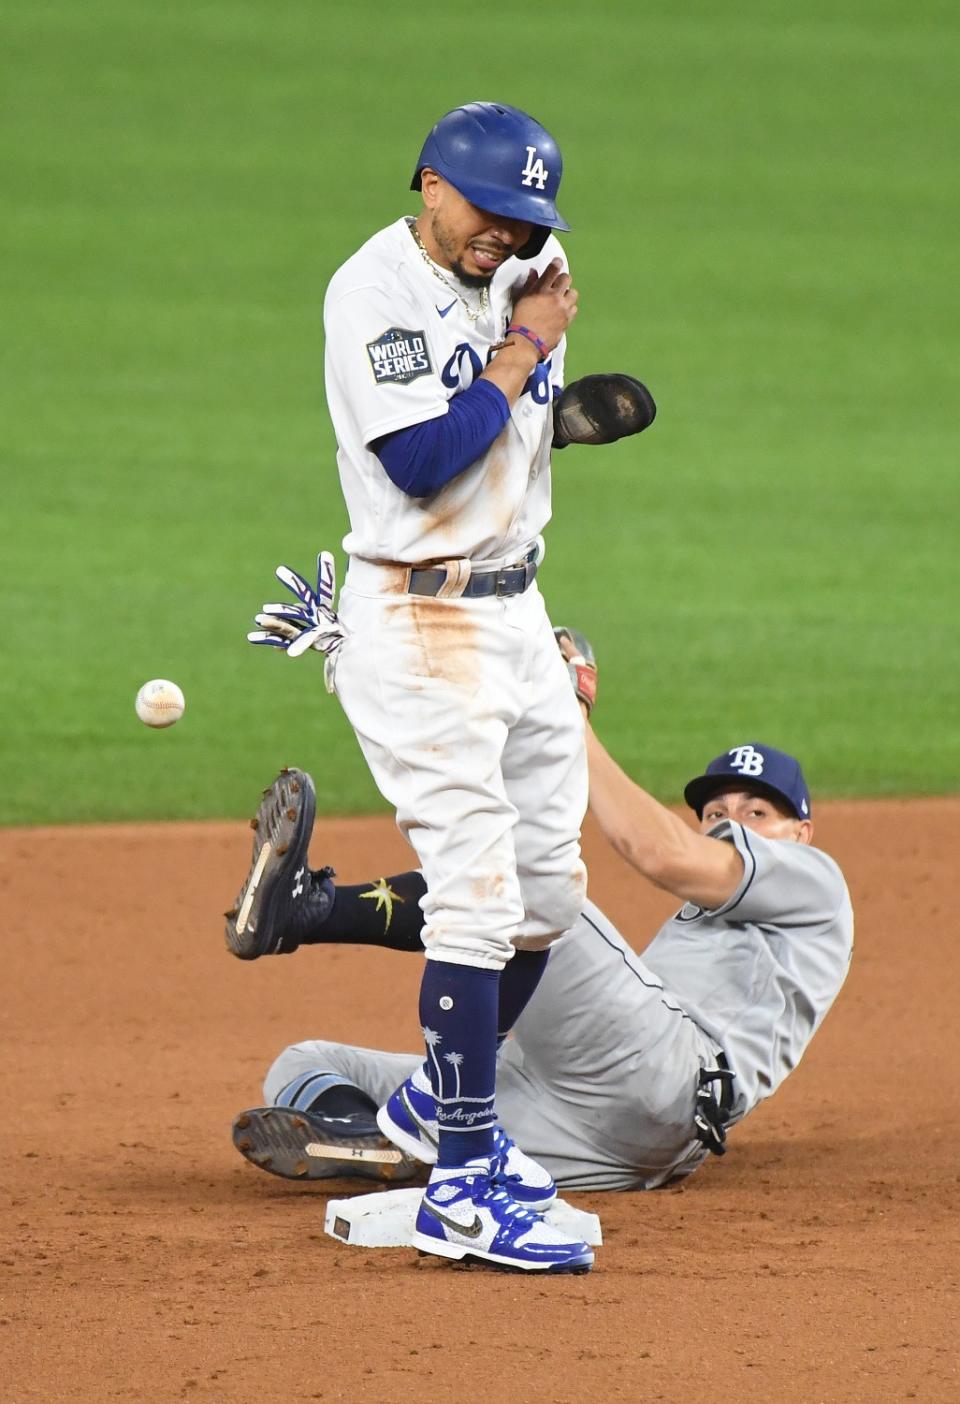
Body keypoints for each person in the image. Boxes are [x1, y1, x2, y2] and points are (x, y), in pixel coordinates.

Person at [225, 103, 653, 1275]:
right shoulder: (372, 291)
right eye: (486, 211)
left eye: (525, 219)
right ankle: (465, 1178)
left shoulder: (530, 274)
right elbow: (418, 459)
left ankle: (420, 1114)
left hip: (512, 614)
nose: (504, 236)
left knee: (547, 898)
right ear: (428, 182)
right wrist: (526, 351)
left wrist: (557, 417)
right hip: (417, 620)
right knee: (472, 888)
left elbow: (500, 435)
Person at [226, 636, 853, 1199]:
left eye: (758, 813)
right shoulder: (719, 916)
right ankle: (381, 1142)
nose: (730, 824)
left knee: (525, 883)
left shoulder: (814, 880)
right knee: (303, 1064)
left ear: (803, 831)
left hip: (666, 1076)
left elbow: (657, 850)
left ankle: (309, 912)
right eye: (716, 811)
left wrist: (569, 720)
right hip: (626, 1147)